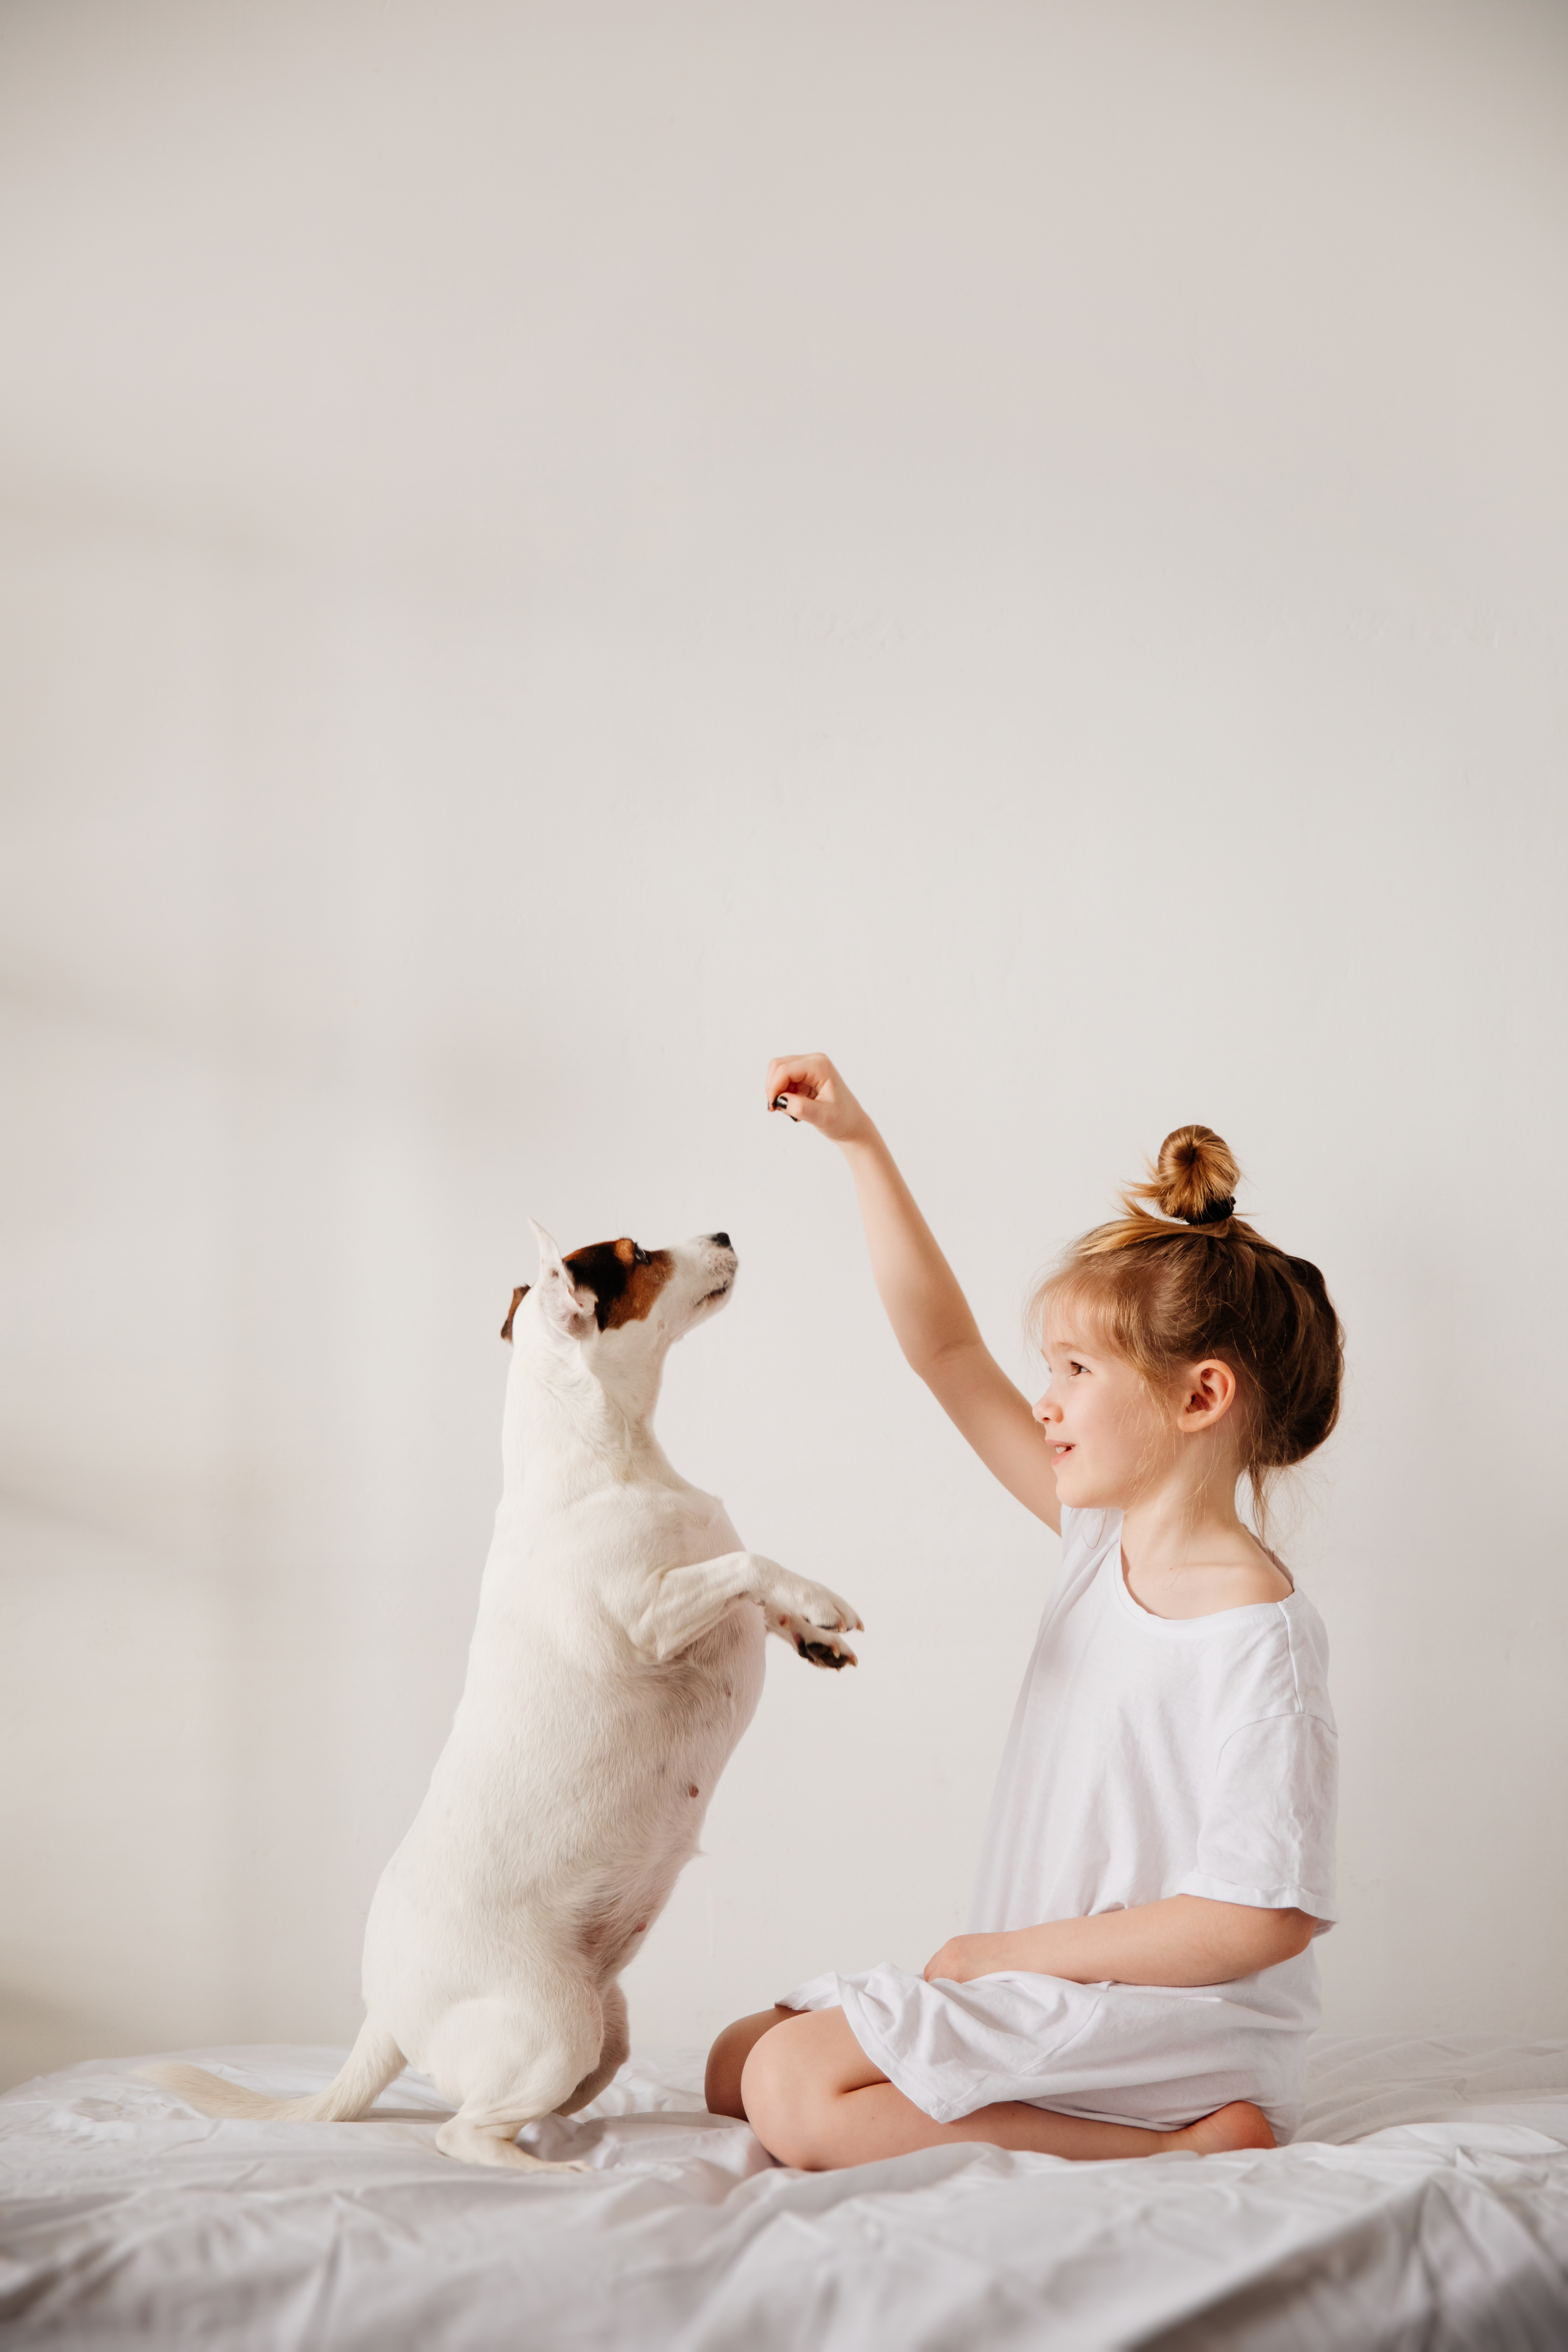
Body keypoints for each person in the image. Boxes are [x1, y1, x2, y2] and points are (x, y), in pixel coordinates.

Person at [705, 1052, 1343, 2171]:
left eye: (1077, 1370)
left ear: (1202, 1396)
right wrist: (859, 1142)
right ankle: (1083, 2101)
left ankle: (1187, 2143)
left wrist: (1002, 1956)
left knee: (793, 2092)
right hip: (1048, 1986)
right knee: (734, 2062)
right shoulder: (1100, 1543)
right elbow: (944, 1351)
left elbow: (1260, 1919)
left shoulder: (1259, 1636)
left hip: (1175, 2024)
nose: (1043, 1399)